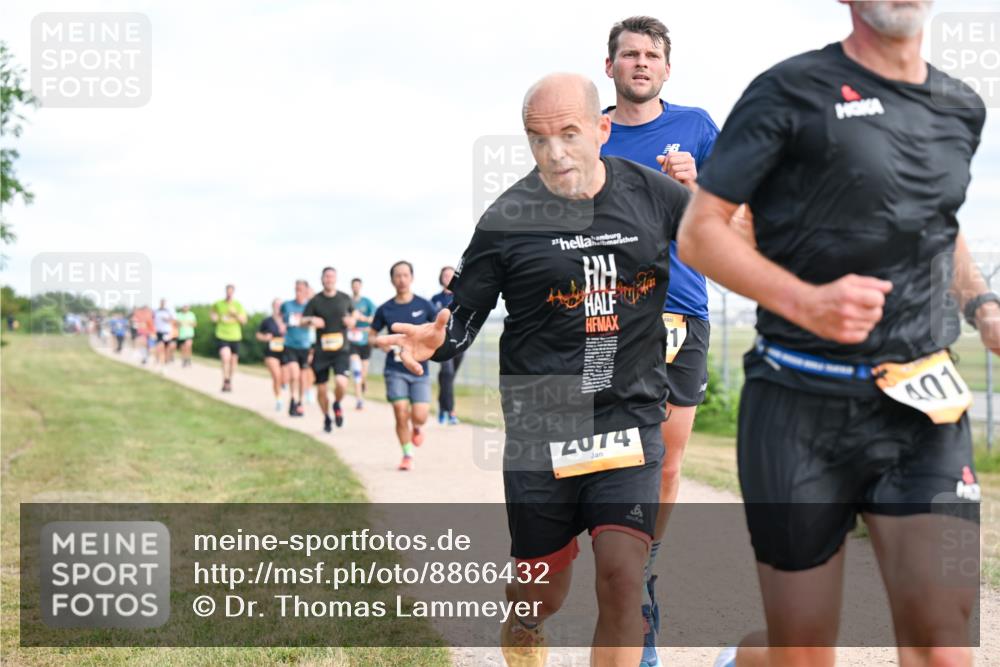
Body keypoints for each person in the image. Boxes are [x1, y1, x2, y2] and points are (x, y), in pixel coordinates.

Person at [676, 3, 988, 666]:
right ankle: (745, 659)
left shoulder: (961, 106)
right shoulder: (788, 90)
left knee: (943, 642)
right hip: (797, 403)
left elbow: (941, 223)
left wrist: (983, 305)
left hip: (920, 402)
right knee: (804, 650)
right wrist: (807, 302)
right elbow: (700, 232)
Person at [379, 73, 690, 666]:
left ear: (602, 129)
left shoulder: (654, 195)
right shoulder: (506, 218)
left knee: (624, 581)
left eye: (569, 134)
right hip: (543, 423)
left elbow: (725, 242)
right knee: (538, 593)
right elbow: (464, 315)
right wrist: (435, 341)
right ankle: (524, 623)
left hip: (629, 412)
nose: (555, 154)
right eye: (538, 140)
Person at [598, 16, 732, 664]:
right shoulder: (589, 132)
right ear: (610, 66)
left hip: (683, 312)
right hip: (607, 316)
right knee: (611, 459)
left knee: (669, 462)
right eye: (630, 54)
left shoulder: (699, 127)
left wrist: (696, 187)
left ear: (667, 68)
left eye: (652, 55)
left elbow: (743, 216)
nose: (641, 63)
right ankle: (617, 578)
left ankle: (642, 575)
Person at [369, 261, 437, 471]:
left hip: (419, 369)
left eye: (405, 275)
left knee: (420, 415)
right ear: (392, 280)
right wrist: (380, 344)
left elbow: (437, 331)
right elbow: (371, 336)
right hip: (394, 369)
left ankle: (417, 427)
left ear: (412, 278)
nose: (402, 279)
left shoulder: (425, 306)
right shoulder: (385, 309)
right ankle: (407, 454)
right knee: (400, 411)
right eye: (397, 276)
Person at [302, 267, 356, 432]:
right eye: (326, 276)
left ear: (336, 279)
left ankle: (337, 404)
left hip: (341, 350)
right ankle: (326, 416)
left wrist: (351, 320)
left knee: (341, 383)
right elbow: (302, 320)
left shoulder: (345, 298)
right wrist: (312, 320)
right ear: (322, 279)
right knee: (322, 390)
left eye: (332, 276)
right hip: (322, 352)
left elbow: (355, 316)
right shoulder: (315, 301)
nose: (329, 279)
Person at [431, 266, 464, 425]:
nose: (448, 278)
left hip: (458, 343)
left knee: (447, 378)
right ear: (441, 278)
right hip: (441, 344)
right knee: (447, 373)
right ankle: (451, 412)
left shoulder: (462, 298)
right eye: (445, 275)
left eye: (451, 275)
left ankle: (441, 405)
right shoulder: (435, 299)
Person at [281, 280, 313, 417]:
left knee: (302, 377)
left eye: (301, 289)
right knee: (294, 373)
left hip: (305, 346)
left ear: (306, 291)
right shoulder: (287, 305)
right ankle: (292, 399)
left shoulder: (310, 307)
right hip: (290, 345)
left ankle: (300, 402)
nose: (298, 292)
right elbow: (280, 318)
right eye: (296, 289)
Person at [210, 284, 248, 392]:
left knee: (233, 361)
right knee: (225, 357)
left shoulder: (238, 305)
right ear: (225, 291)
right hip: (222, 334)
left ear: (233, 292)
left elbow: (244, 321)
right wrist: (214, 317)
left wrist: (235, 314)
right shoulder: (218, 304)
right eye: (227, 291)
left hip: (235, 336)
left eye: (231, 292)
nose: (229, 293)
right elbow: (212, 313)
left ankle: (229, 380)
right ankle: (225, 380)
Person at [348, 277, 377, 410]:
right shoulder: (347, 302)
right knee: (356, 370)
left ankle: (363, 383)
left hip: (365, 340)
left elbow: (375, 319)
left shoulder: (367, 302)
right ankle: (359, 399)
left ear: (360, 287)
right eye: (354, 286)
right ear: (351, 287)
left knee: (363, 373)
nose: (355, 288)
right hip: (352, 340)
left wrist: (361, 318)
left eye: (357, 286)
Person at [257, 298, 288, 412]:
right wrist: (265, 337)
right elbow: (258, 334)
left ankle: (284, 383)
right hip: (271, 352)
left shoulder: (287, 320)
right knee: (276, 376)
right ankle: (279, 400)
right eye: (276, 305)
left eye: (280, 305)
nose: (278, 307)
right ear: (273, 307)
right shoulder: (267, 321)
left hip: (286, 352)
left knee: (284, 378)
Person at [152, 298, 175, 373]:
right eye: (161, 302)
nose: (162, 304)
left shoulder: (169, 311)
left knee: (167, 349)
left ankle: (165, 363)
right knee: (160, 347)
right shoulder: (156, 311)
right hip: (158, 332)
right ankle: (159, 363)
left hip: (167, 332)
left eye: (163, 302)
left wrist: (167, 319)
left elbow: (174, 320)